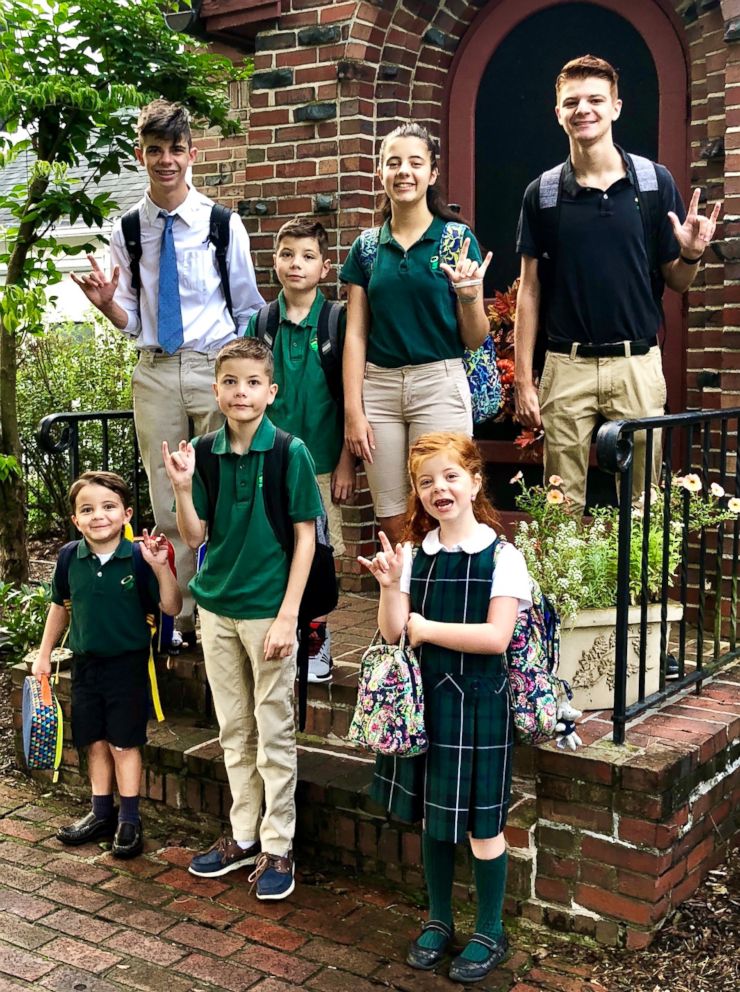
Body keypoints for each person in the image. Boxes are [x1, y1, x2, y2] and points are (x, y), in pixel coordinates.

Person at [71, 99, 264, 651]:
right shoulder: (128, 228)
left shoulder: (223, 224)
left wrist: (242, 379)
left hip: (213, 368)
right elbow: (132, 318)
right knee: (166, 499)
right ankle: (180, 614)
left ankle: (224, 613)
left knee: (223, 488)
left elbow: (248, 307)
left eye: (176, 149)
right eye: (155, 150)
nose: (166, 160)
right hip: (155, 370)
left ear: (191, 154)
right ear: (142, 155)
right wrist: (108, 304)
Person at [359, 432, 531, 985]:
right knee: (435, 820)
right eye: (426, 481)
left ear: (476, 481)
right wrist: (390, 588)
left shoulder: (502, 556)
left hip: (480, 705)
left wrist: (425, 628)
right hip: (424, 704)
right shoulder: (412, 555)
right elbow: (392, 633)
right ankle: (438, 919)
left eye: (451, 476)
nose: (440, 489)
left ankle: (489, 929)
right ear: (415, 491)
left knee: (483, 825)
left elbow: (497, 637)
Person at [514, 55, 721, 515]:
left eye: (595, 100)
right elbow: (529, 290)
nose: (583, 109)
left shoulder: (652, 182)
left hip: (636, 364)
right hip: (566, 366)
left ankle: (641, 591)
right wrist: (524, 380)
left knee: (644, 502)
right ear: (558, 113)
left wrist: (689, 253)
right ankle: (564, 592)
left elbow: (677, 282)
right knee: (560, 506)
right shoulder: (543, 193)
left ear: (616, 107)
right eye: (572, 102)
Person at [162, 337, 322, 899]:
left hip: (267, 613)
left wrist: (288, 616)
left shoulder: (288, 452)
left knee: (274, 729)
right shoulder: (203, 451)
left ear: (270, 390)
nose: (241, 392)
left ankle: (280, 847)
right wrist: (182, 488)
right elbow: (195, 536)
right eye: (231, 382)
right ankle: (243, 834)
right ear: (217, 389)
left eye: (253, 382)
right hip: (215, 607)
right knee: (234, 729)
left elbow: (306, 538)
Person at [341, 122, 492, 546]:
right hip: (381, 390)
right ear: (380, 172)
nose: (403, 171)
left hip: (438, 383)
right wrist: (354, 410)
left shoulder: (456, 239)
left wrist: (468, 294)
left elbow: (475, 337)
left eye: (415, 162)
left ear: (433, 173)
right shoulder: (367, 248)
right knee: (391, 516)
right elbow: (355, 334)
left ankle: (445, 607)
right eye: (393, 163)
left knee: (446, 505)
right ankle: (404, 610)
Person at [32, 471, 182, 858]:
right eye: (87, 509)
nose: (98, 516)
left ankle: (130, 818)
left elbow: (171, 607)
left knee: (123, 742)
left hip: (127, 666)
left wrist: (161, 566)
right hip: (85, 665)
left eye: (108, 507)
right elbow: (58, 607)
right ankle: (101, 812)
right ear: (75, 519)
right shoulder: (69, 557)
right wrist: (45, 652)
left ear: (126, 514)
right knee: (94, 740)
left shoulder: (137, 557)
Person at [245, 217, 355, 683]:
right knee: (274, 548)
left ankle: (316, 640)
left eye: (308, 256)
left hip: (324, 464)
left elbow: (354, 396)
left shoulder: (337, 320)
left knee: (322, 556)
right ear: (275, 261)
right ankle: (277, 635)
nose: (297, 264)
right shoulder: (262, 322)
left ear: (325, 267)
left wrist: (349, 460)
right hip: (272, 462)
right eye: (288, 254)